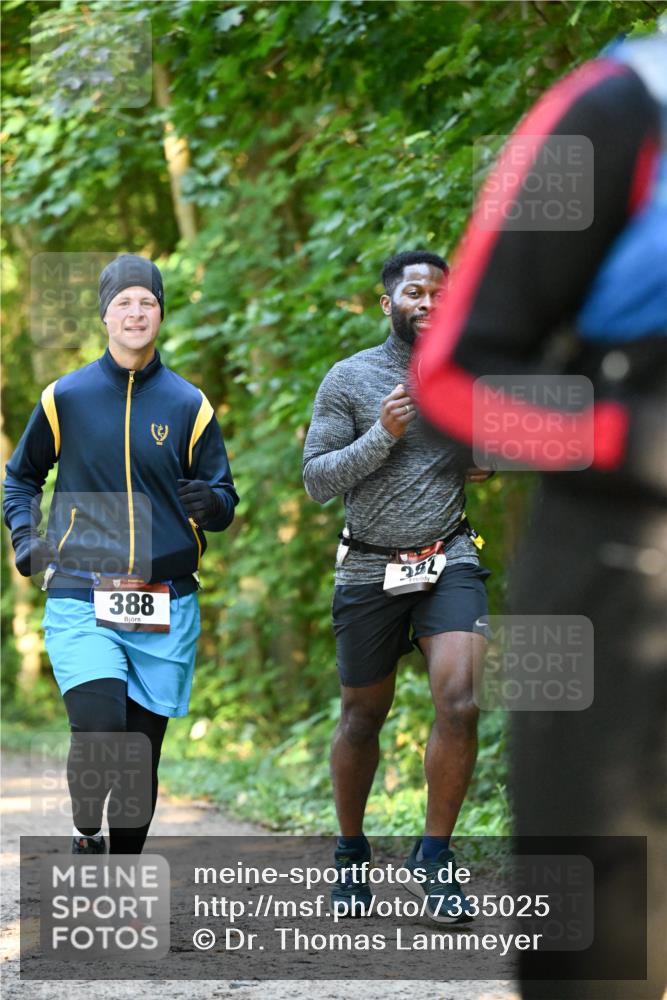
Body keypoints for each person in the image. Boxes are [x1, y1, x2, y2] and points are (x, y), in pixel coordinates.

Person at [414, 35, 666, 999]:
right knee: (602, 955)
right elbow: (451, 379)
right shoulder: (613, 111)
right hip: (619, 585)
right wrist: (635, 442)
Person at [4, 254, 238, 856]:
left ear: (161, 313)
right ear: (104, 315)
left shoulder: (189, 405)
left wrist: (210, 503)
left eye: (148, 302)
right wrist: (26, 537)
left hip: (167, 601)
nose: (136, 313)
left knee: (139, 757)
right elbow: (20, 478)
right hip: (82, 590)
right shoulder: (67, 397)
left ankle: (123, 875)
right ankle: (87, 825)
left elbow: (224, 498)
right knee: (102, 731)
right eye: (124, 303)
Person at [303, 250, 492, 923]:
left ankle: (433, 858)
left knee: (461, 700)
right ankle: (350, 854)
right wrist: (382, 434)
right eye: (415, 292)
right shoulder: (349, 378)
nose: (429, 304)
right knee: (362, 716)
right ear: (389, 303)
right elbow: (317, 480)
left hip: (449, 556)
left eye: (440, 293)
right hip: (368, 566)